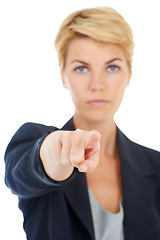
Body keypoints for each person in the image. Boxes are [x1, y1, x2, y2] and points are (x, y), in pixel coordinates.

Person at [4, 7, 160, 240]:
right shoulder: (34, 140)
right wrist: (56, 151)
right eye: (82, 68)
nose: (97, 84)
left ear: (129, 73)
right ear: (63, 75)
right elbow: (30, 167)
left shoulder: (156, 166)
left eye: (112, 67)